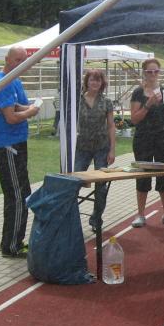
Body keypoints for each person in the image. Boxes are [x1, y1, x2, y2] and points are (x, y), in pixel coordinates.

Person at [0, 46, 40, 258]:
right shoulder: (1, 82)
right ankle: (12, 245)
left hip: (18, 143)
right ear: (7, 59)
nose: (21, 64)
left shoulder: (14, 80)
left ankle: (14, 241)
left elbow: (16, 106)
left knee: (21, 193)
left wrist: (29, 108)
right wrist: (30, 112)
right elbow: (10, 117)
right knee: (17, 196)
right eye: (17, 60)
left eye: (24, 60)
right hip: (8, 146)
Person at [129, 58, 164, 228]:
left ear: (159, 72)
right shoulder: (138, 93)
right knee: (142, 177)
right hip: (143, 140)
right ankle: (140, 215)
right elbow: (134, 119)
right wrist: (148, 104)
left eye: (156, 71)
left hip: (163, 140)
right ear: (144, 73)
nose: (153, 74)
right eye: (149, 71)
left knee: (163, 177)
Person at [74, 68, 116, 232]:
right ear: (87, 81)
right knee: (74, 182)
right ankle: (72, 218)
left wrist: (112, 150)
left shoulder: (106, 102)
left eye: (98, 80)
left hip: (101, 147)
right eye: (92, 79)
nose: (95, 83)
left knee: (101, 186)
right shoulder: (77, 101)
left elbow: (111, 126)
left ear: (102, 83)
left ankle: (96, 219)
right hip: (82, 147)